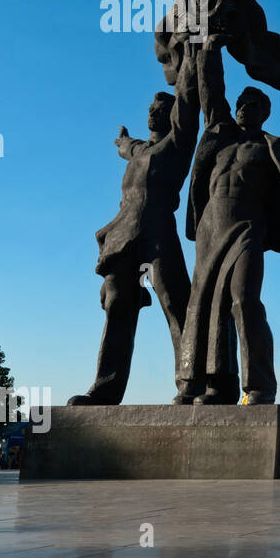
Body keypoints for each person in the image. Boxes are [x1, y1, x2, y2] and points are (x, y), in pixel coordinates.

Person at [175, 33, 280, 405]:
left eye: (254, 103)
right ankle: (212, 385)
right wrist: (210, 46)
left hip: (248, 229)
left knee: (244, 300)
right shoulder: (220, 134)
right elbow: (212, 88)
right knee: (204, 305)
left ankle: (260, 385)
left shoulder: (278, 147)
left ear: (265, 112)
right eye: (242, 102)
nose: (245, 107)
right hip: (211, 228)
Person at [69, 41, 202, 405]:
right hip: (124, 237)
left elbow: (189, 100)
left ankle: (191, 385)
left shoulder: (176, 145)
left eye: (159, 109)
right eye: (150, 109)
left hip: (158, 236)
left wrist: (192, 51)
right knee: (117, 307)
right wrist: (124, 141)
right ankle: (105, 389)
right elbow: (127, 147)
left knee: (177, 305)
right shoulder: (140, 151)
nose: (152, 113)